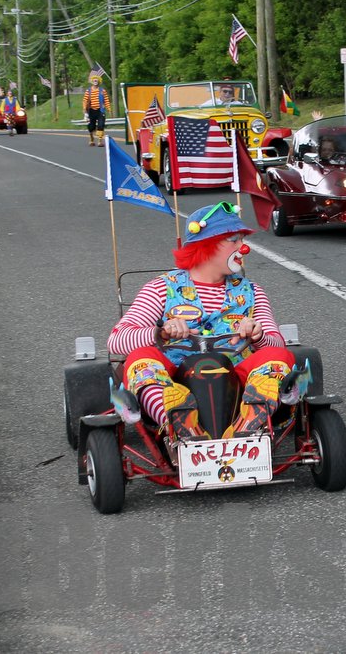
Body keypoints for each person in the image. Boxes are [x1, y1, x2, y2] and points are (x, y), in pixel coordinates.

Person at [106, 202, 302, 442]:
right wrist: (161, 333)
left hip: (236, 384)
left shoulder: (252, 292)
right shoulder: (161, 289)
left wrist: (257, 335)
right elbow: (116, 341)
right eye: (234, 240)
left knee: (280, 356)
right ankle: (178, 420)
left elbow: (277, 344)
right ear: (206, 244)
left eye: (242, 240)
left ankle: (247, 424)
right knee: (140, 358)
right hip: (175, 379)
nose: (244, 248)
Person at [82, 72, 110, 146]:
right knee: (91, 126)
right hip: (91, 110)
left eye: (96, 80)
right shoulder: (88, 91)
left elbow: (106, 100)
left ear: (99, 82)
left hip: (100, 110)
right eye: (94, 80)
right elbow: (85, 100)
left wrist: (109, 109)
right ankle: (91, 138)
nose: (95, 81)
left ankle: (100, 141)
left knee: (101, 125)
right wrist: (84, 109)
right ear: (92, 81)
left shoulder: (102, 91)